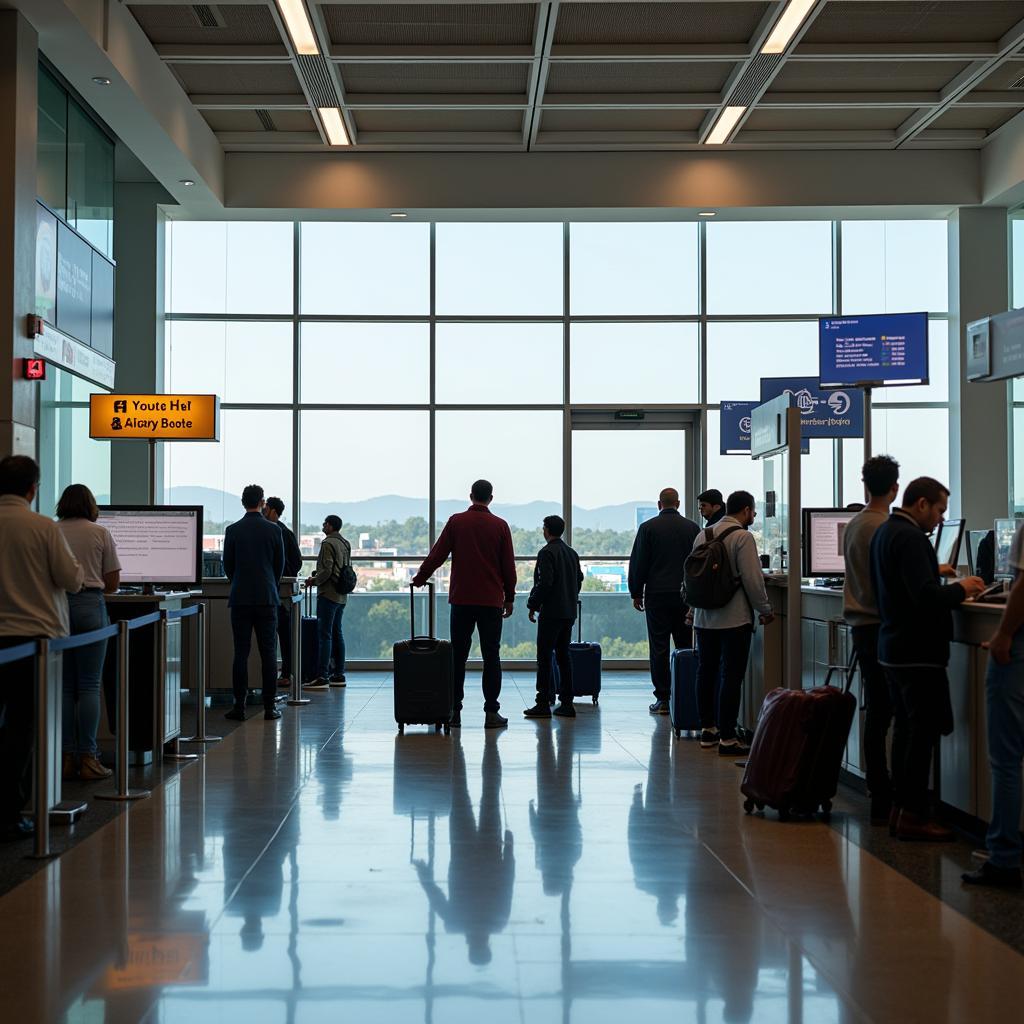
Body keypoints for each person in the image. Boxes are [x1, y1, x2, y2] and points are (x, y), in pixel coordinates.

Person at [870, 477, 986, 841]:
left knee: (906, 732)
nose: (939, 519)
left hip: (894, 647)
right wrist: (961, 589)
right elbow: (924, 598)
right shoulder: (910, 538)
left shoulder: (886, 533)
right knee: (921, 735)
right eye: (938, 510)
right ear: (921, 504)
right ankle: (915, 813)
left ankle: (902, 810)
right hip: (917, 651)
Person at [0, 456, 83, 841]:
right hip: (30, 639)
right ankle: (12, 810)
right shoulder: (41, 528)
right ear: (33, 488)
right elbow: (70, 578)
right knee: (21, 726)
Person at [412, 479, 516, 729]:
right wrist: (509, 597)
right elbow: (508, 566)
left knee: (457, 656)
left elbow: (437, 554)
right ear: (491, 498)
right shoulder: (500, 526)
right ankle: (492, 712)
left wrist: (420, 578)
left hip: (462, 599)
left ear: (471, 496)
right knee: (492, 656)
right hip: (491, 601)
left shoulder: (456, 522)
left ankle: (453, 711)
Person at [690, 490, 774, 757]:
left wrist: (692, 611)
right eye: (753, 511)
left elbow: (694, 578)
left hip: (704, 618)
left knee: (706, 672)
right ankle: (728, 737)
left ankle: (708, 729)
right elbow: (752, 578)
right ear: (747, 511)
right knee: (731, 676)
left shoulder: (704, 534)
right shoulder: (743, 537)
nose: (754, 516)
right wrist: (765, 609)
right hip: (734, 618)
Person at [963, 523, 1024, 888]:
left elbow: (1023, 586)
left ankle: (1003, 858)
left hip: (1017, 650)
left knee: (1006, 759)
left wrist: (1003, 634)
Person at [842, 455, 899, 826]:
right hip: (881, 627)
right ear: (895, 488)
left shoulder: (854, 524)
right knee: (886, 712)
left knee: (875, 711)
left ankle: (877, 789)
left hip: (860, 625)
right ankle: (886, 793)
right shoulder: (885, 528)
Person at [55, 483, 121, 782]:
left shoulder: (52, 530)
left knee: (66, 686)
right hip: (91, 606)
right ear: (91, 505)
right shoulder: (100, 533)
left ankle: (66, 757)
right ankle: (89, 758)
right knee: (90, 685)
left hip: (59, 607)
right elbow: (112, 583)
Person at [628, 488, 700, 714]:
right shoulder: (693, 528)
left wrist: (636, 592)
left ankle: (663, 699)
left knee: (658, 647)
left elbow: (639, 562)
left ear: (659, 504)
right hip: (685, 597)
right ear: (677, 503)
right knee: (685, 647)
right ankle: (687, 695)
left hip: (657, 596)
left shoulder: (647, 528)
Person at [223, 484, 285, 722]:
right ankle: (269, 707)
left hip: (240, 598)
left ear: (242, 502)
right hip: (267, 598)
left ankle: (239, 706)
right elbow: (278, 566)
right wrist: (270, 583)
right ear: (262, 502)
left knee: (241, 653)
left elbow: (228, 565)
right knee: (268, 653)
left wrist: (238, 581)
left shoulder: (233, 530)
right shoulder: (274, 531)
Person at [525, 515, 583, 720]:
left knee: (544, 657)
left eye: (543, 528)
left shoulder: (546, 553)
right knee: (563, 656)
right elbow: (579, 579)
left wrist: (532, 603)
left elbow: (545, 582)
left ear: (547, 530)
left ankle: (543, 701)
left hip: (551, 613)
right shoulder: (571, 553)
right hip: (568, 612)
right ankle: (566, 702)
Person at [302, 514, 351, 690]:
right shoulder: (346, 543)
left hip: (328, 593)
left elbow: (327, 569)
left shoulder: (327, 543)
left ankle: (322, 676)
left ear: (330, 526)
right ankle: (339, 674)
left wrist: (313, 581)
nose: (323, 526)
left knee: (325, 635)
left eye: (325, 523)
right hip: (342, 595)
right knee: (337, 633)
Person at [263, 496, 303, 688]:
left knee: (283, 634)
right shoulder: (279, 531)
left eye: (266, 508)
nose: (264, 511)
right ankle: (284, 671)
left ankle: (286, 671)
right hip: (278, 590)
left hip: (280, 592)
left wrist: (281, 572)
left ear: (273, 511)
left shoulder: (282, 533)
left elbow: (296, 562)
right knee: (280, 634)